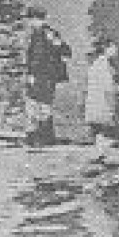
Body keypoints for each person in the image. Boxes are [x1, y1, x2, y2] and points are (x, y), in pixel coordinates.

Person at [21, 7, 71, 145]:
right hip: (49, 76)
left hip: (41, 76)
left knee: (35, 104)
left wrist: (31, 74)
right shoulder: (50, 33)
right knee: (44, 105)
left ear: (36, 19)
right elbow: (66, 52)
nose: (30, 23)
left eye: (31, 20)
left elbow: (36, 58)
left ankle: (35, 137)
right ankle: (45, 136)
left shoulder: (40, 35)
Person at [83, 39, 119, 151]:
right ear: (106, 49)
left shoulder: (98, 63)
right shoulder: (103, 64)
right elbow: (108, 86)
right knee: (102, 125)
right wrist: (118, 94)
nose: (115, 50)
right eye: (113, 48)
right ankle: (103, 151)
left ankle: (101, 151)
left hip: (96, 98)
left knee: (99, 127)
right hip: (101, 99)